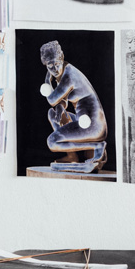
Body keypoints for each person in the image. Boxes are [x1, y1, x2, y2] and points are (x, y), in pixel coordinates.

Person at [40, 40, 107, 172]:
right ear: (46, 65)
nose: (55, 69)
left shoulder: (69, 75)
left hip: (94, 125)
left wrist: (47, 80)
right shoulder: (64, 71)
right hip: (84, 120)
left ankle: (97, 146)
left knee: (52, 142)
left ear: (62, 57)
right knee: (52, 114)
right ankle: (72, 155)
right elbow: (64, 99)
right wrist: (60, 107)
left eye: (57, 64)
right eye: (50, 66)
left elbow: (52, 99)